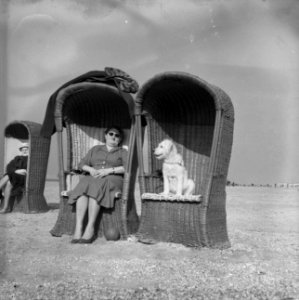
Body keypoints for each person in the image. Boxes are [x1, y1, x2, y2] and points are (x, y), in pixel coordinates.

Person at [65, 126, 127, 244]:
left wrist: (109, 171)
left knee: (97, 184)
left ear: (120, 139)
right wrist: (91, 170)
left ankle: (90, 227)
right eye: (111, 134)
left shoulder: (122, 151)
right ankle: (78, 228)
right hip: (94, 176)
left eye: (117, 135)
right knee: (84, 183)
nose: (113, 137)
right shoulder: (95, 149)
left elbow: (127, 167)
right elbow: (82, 164)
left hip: (112, 178)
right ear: (105, 135)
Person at [0, 142, 29, 213]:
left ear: (29, 150)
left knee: (8, 175)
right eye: (23, 149)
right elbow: (9, 167)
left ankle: (6, 207)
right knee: (9, 183)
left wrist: (20, 171)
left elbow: (27, 170)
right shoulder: (17, 158)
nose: (24, 151)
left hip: (23, 178)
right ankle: (6, 208)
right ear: (21, 150)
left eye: (26, 149)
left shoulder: (30, 159)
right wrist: (17, 171)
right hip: (14, 176)